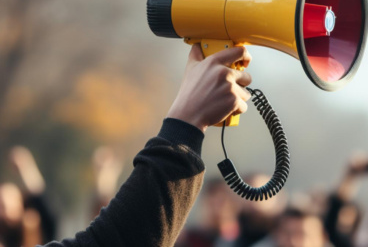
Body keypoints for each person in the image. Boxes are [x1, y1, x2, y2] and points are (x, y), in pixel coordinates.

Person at [42, 44, 254, 247]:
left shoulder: (244, 237)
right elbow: (113, 240)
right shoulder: (191, 238)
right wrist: (185, 125)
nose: (219, 206)